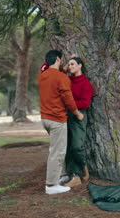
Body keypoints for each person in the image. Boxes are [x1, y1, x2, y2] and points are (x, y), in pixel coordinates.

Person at [38, 50, 84, 195]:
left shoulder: (42, 76)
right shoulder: (61, 78)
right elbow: (68, 99)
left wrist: (61, 69)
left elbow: (52, 75)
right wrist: (77, 113)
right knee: (57, 152)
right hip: (57, 119)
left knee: (56, 150)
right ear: (58, 59)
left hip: (45, 119)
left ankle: (57, 177)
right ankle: (51, 185)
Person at [62, 56, 95, 187]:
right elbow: (58, 77)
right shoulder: (67, 80)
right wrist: (64, 69)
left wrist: (69, 103)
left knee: (76, 146)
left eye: (73, 64)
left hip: (79, 116)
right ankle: (74, 175)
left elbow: (85, 103)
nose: (70, 67)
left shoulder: (86, 84)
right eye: (69, 65)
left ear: (80, 65)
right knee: (67, 146)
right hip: (66, 116)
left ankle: (83, 167)